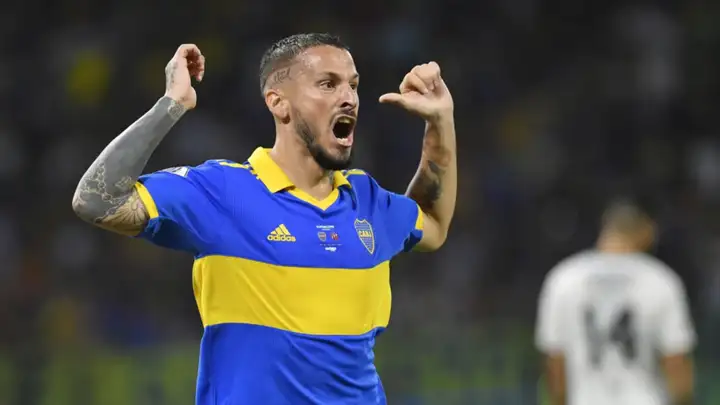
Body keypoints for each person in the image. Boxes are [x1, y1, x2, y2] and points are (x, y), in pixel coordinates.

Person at [72, 33, 457, 405]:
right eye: (328, 84)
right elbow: (97, 201)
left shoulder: (367, 200)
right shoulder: (223, 192)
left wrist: (440, 122)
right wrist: (172, 103)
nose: (349, 98)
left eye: (353, 85)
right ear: (278, 103)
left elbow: (432, 224)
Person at [535, 196, 695, 405]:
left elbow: (555, 363)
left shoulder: (564, 279)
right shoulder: (660, 280)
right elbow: (676, 363)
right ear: (646, 231)